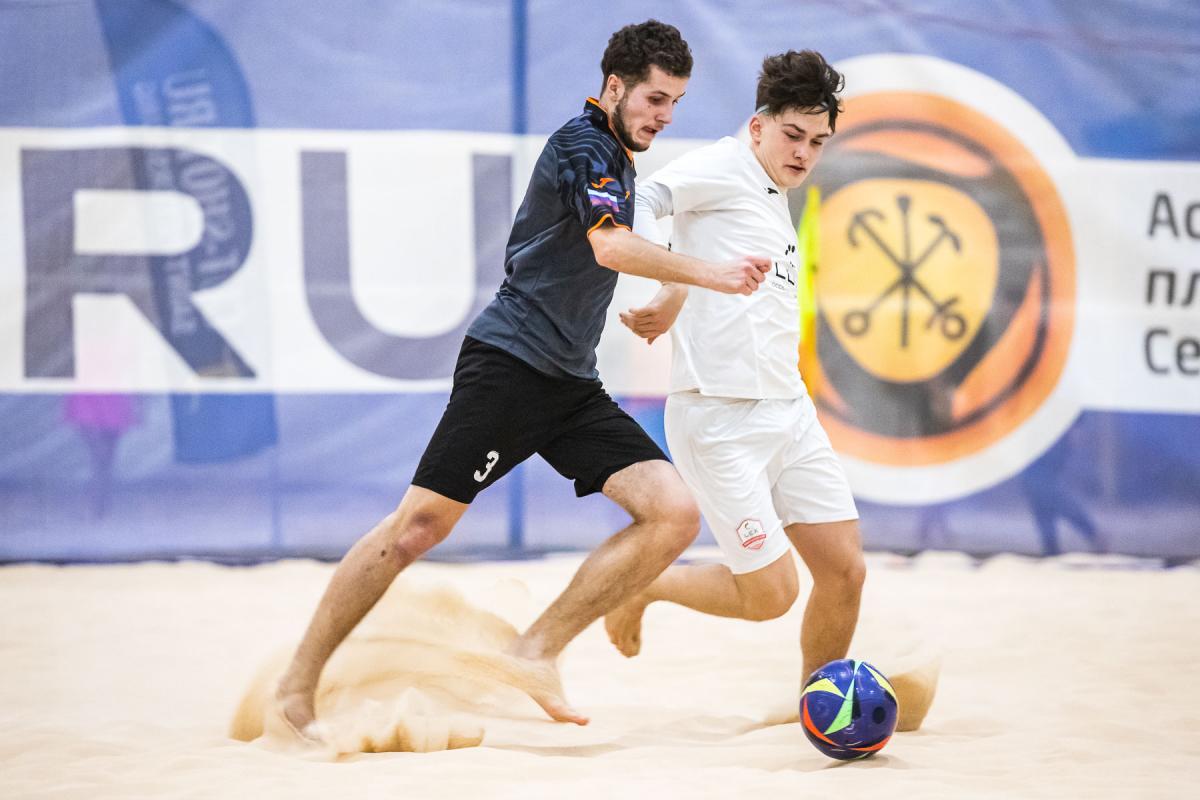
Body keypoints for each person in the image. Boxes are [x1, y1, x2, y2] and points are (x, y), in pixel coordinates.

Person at [274, 19, 774, 739]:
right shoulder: (584, 144)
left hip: (570, 383)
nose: (666, 115)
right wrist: (710, 277)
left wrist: (676, 292)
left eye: (676, 102)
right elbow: (611, 248)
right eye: (656, 99)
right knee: (418, 528)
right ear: (614, 88)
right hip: (509, 366)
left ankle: (534, 651)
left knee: (672, 513)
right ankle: (296, 684)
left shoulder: (618, 156)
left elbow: (632, 242)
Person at [605, 50, 936, 731]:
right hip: (718, 420)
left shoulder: (771, 196)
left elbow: (713, 258)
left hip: (790, 411)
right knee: (771, 595)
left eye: (818, 141)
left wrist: (679, 293)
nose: (805, 152)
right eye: (793, 135)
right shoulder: (723, 166)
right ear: (758, 126)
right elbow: (640, 205)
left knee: (844, 572)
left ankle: (821, 710)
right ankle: (648, 584)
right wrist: (671, 283)